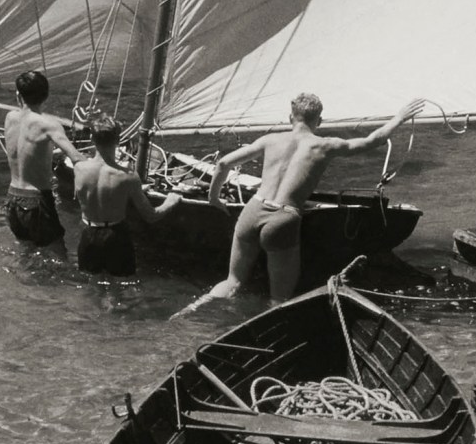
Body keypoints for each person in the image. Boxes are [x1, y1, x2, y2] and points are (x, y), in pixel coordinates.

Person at [205, 94, 426, 304]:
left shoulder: (270, 140)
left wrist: (214, 198)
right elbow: (372, 140)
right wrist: (399, 118)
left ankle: (190, 311)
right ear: (319, 121)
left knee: (232, 282)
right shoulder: (326, 145)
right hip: (282, 217)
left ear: (290, 117)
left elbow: (223, 164)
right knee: (279, 299)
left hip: (253, 209)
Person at [73, 113, 182, 276]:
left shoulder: (79, 169)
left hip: (88, 234)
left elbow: (86, 194)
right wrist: (172, 201)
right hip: (115, 236)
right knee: (119, 288)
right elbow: (151, 216)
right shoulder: (127, 177)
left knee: (92, 285)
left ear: (91, 139)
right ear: (118, 141)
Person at [4, 70, 87, 245]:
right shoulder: (49, 125)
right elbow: (77, 159)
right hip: (36, 200)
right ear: (46, 96)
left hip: (12, 198)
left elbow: (24, 150)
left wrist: (51, 154)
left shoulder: (10, 117)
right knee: (57, 253)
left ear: (18, 94)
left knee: (25, 253)